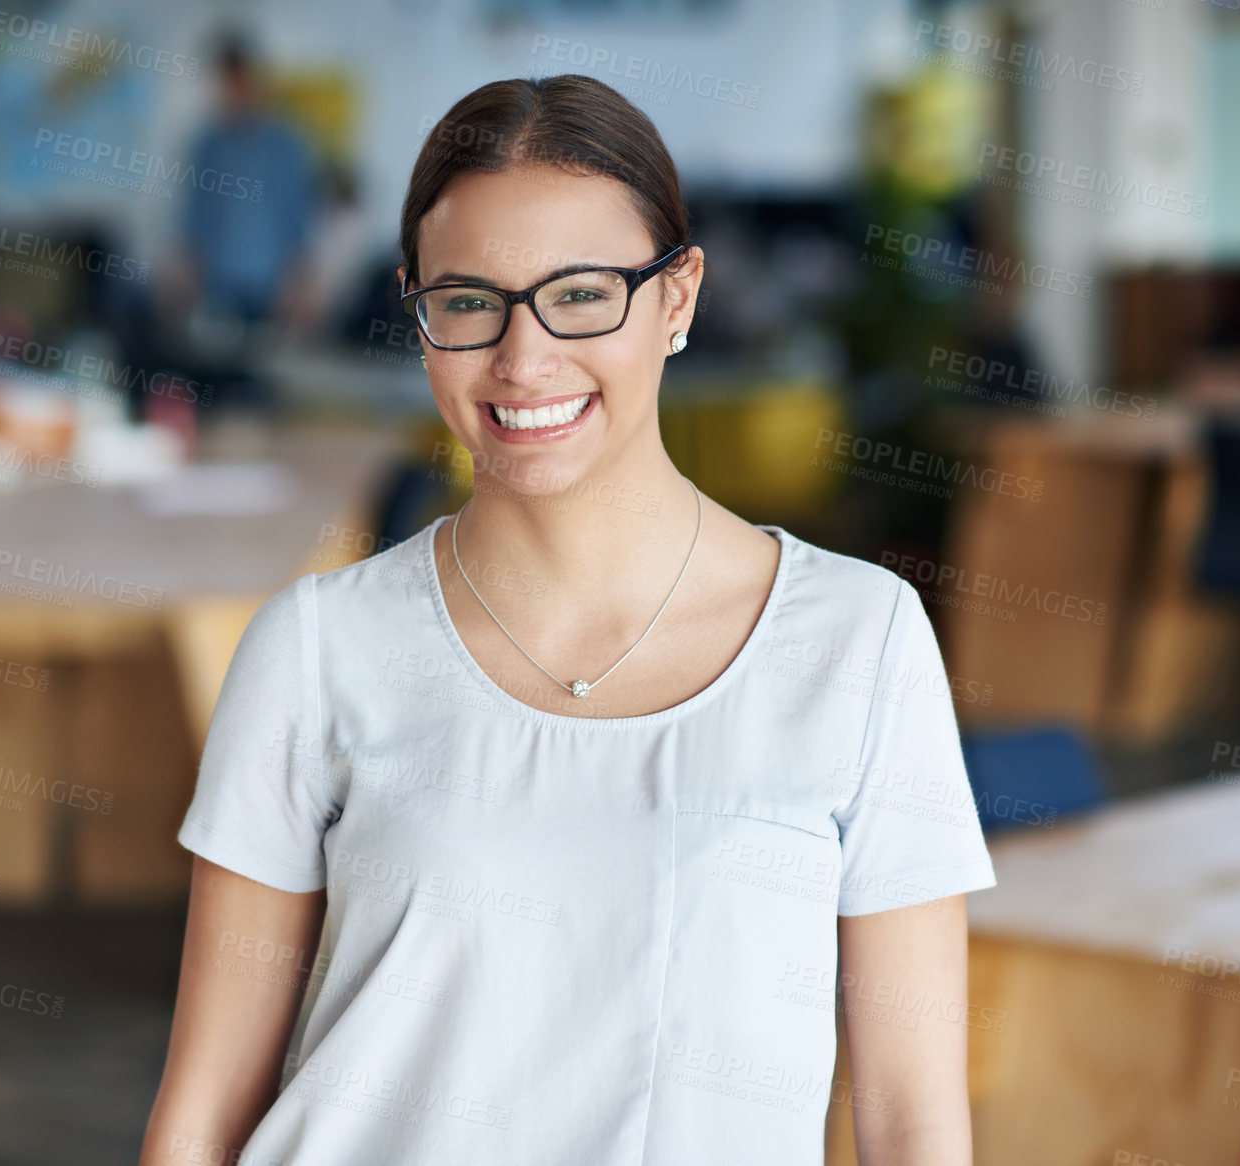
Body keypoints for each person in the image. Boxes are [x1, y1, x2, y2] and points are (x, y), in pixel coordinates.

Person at [139, 75, 995, 1166]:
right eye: (467, 300)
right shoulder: (314, 647)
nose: (521, 358)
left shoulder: (859, 639)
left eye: (582, 293)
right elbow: (202, 1113)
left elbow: (915, 1121)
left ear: (677, 295)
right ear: (419, 312)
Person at [170, 28, 319, 412]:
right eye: (226, 84)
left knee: (262, 385)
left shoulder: (285, 146)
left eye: (241, 82)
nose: (235, 92)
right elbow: (194, 219)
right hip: (218, 288)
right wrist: (185, 278)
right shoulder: (208, 145)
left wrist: (299, 285)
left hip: (269, 289)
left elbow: (298, 221)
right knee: (214, 382)